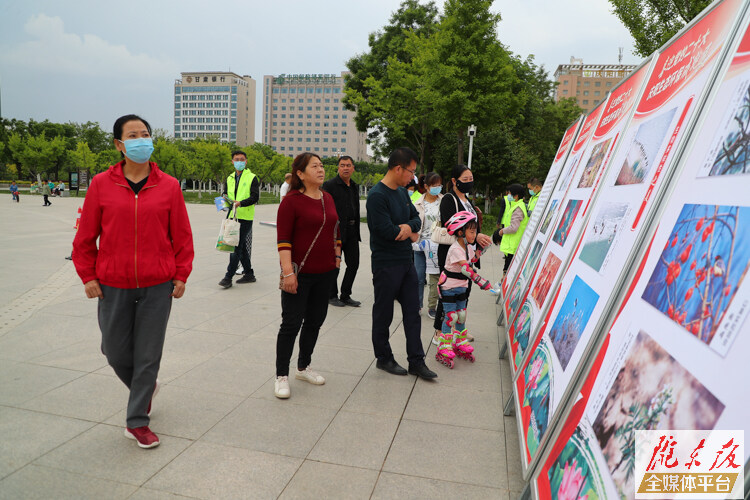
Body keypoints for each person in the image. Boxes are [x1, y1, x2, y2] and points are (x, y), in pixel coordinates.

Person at [72, 114, 194, 449]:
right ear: (119, 144)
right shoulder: (101, 184)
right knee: (114, 351)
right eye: (133, 135)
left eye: (145, 134)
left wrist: (181, 273)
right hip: (112, 284)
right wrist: (88, 276)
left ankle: (137, 420)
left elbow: (182, 236)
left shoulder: (168, 185)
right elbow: (85, 238)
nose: (142, 140)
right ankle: (146, 387)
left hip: (158, 284)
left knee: (148, 354)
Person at [367, 147, 437, 380]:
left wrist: (407, 228)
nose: (413, 177)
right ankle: (384, 357)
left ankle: (416, 361)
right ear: (398, 168)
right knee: (384, 313)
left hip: (406, 262)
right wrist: (406, 229)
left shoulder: (401, 193)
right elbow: (385, 230)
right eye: (411, 172)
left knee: (412, 313)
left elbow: (417, 219)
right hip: (386, 263)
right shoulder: (377, 195)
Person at [275, 153, 341, 399]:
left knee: (315, 321)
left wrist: (337, 258)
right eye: (314, 166)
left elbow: (335, 228)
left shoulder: (328, 198)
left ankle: (303, 367)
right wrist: (288, 273)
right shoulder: (291, 202)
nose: (321, 170)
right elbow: (283, 240)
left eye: (322, 166)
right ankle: (281, 375)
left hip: (325, 273)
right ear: (300, 174)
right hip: (299, 274)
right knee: (291, 324)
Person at [432, 165, 493, 346]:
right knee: (448, 294)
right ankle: (439, 332)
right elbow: (453, 226)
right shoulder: (449, 200)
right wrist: (475, 235)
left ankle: (459, 331)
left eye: (471, 179)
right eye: (465, 179)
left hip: (467, 254)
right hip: (453, 256)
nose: (469, 183)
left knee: (463, 294)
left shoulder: (466, 200)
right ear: (454, 181)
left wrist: (478, 238)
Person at [435, 211, 497, 368]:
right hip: (449, 287)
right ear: (461, 232)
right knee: (451, 317)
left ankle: (459, 341)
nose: (475, 234)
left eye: (475, 231)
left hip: (461, 287)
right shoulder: (456, 248)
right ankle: (444, 345)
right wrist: (481, 281)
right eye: (471, 231)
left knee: (461, 316)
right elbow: (466, 269)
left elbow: (473, 259)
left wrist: (482, 249)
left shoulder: (468, 247)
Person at [322, 155, 362, 307]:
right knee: (334, 265)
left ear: (353, 168)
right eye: (343, 165)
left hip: (352, 231)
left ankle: (346, 294)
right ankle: (331, 295)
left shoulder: (354, 186)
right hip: (335, 233)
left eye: (348, 165)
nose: (346, 168)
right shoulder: (329, 185)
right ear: (338, 168)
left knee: (354, 264)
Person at [219, 150, 260, 288]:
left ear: (246, 161)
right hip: (232, 215)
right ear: (232, 162)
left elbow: (255, 197)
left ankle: (228, 277)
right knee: (240, 247)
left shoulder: (252, 177)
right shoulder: (230, 177)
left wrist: (240, 203)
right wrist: (223, 202)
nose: (239, 162)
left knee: (235, 246)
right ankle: (249, 274)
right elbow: (225, 193)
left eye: (242, 159)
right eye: (236, 159)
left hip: (245, 217)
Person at [413, 172, 443, 316]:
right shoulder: (417, 203)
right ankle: (417, 305)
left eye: (439, 185)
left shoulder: (444, 201)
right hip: (419, 245)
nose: (438, 188)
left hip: (437, 245)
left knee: (434, 279)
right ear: (426, 186)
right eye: (434, 185)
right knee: (418, 277)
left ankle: (432, 307)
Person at [498, 183, 530, 273]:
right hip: (512, 246)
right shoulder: (516, 206)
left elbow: (514, 228)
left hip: (514, 246)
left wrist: (502, 231)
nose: (508, 195)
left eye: (510, 193)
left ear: (516, 196)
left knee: (507, 272)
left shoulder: (518, 208)